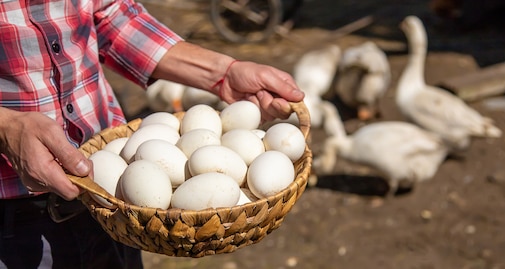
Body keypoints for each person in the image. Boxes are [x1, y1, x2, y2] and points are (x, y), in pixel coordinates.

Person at [0, 0, 304, 268]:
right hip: (12, 216)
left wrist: (222, 73)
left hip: (116, 204)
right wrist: (6, 127)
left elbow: (110, 14)